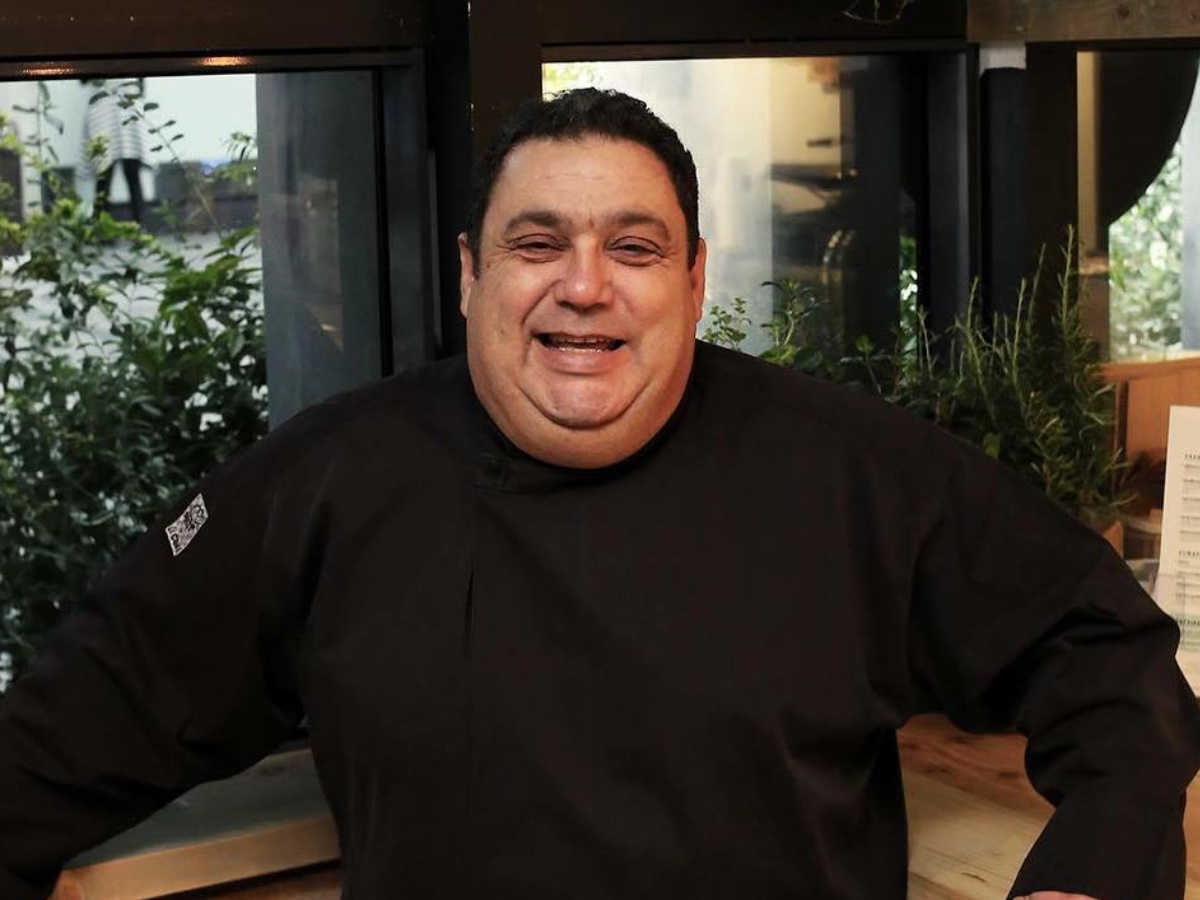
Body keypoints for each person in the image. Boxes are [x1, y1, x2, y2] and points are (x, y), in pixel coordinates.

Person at [1, 87, 1197, 900]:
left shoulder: (852, 471)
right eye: (537, 245)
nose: (584, 287)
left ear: (694, 280)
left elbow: (1106, 654)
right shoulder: (328, 480)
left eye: (633, 248)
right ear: (469, 275)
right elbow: (92, 708)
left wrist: (1085, 876)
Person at [82, 78, 149, 224]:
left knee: (132, 173)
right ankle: (102, 227)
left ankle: (140, 226)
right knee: (103, 171)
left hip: (128, 99)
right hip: (103, 104)